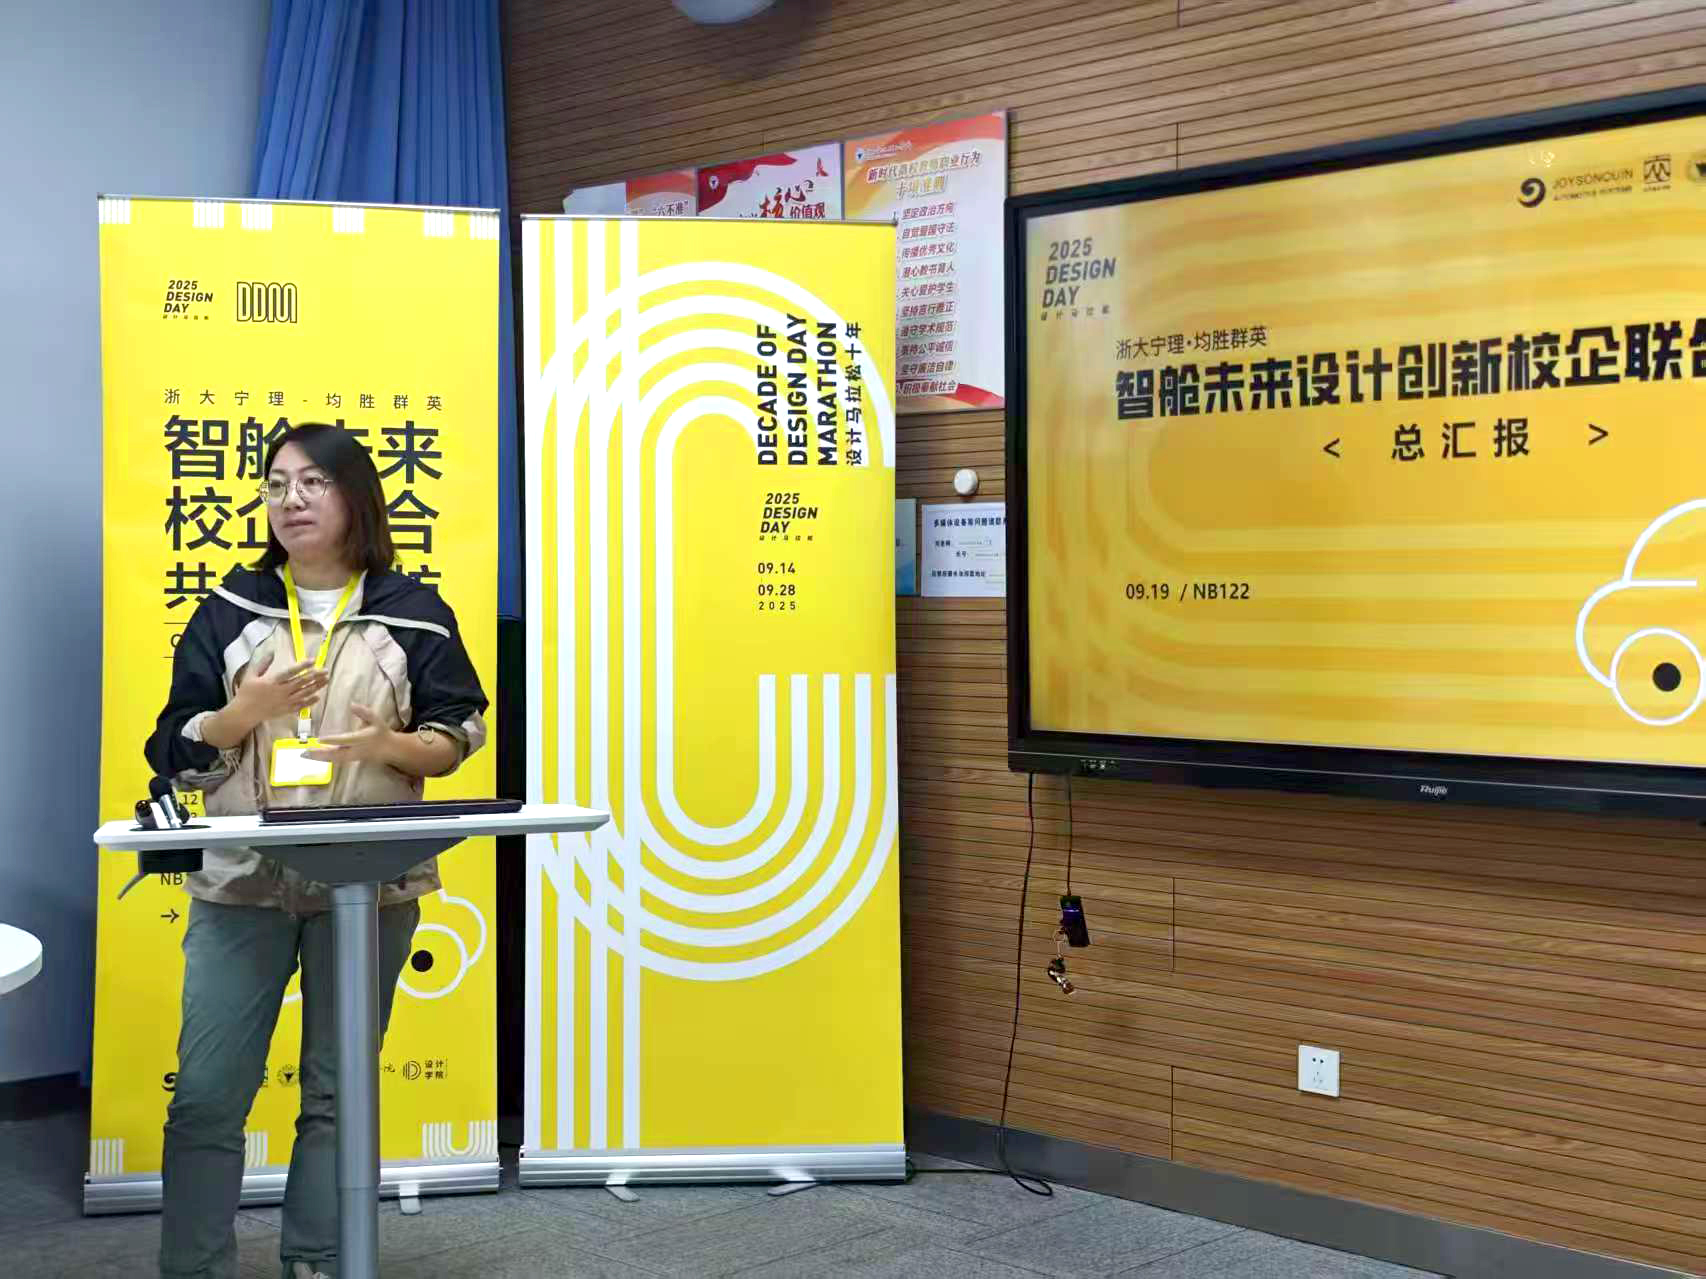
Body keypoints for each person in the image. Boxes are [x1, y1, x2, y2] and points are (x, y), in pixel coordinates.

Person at [145, 423, 488, 1279]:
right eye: (275, 484)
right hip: (243, 886)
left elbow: (458, 730)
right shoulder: (232, 611)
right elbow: (175, 750)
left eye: (311, 482)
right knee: (207, 1096)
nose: (289, 499)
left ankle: (319, 1258)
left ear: (354, 495)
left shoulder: (412, 612)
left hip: (367, 885)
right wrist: (239, 716)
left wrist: (390, 746)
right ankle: (194, 1268)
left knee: (338, 1093)